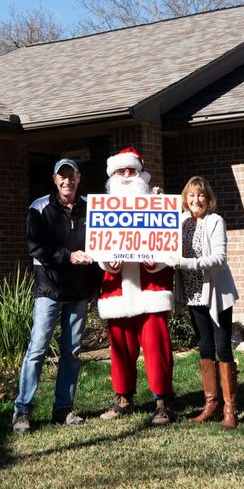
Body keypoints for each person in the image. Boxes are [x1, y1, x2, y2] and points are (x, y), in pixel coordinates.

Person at [12, 157, 99, 433]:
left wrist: (152, 198)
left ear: (79, 178)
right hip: (49, 291)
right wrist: (69, 256)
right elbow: (37, 248)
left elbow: (116, 231)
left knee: (71, 352)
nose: (67, 181)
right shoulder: (39, 208)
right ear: (54, 180)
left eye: (71, 175)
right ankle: (22, 411)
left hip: (79, 292)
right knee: (37, 350)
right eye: (62, 176)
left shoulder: (92, 208)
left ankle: (63, 409)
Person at [96, 147, 177, 425]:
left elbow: (168, 245)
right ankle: (123, 397)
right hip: (117, 289)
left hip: (151, 286)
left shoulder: (157, 204)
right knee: (120, 347)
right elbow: (97, 248)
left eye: (132, 170)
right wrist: (108, 263)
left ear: (141, 173)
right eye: (121, 171)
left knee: (157, 346)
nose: (127, 175)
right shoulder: (103, 209)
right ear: (113, 176)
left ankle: (163, 401)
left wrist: (159, 263)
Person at [166, 176, 240, 429]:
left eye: (201, 195)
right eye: (191, 195)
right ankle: (212, 404)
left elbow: (219, 258)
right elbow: (158, 232)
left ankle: (230, 409)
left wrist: (187, 263)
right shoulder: (181, 222)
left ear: (208, 199)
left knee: (223, 348)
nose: (196, 200)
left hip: (216, 293)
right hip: (193, 293)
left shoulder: (215, 221)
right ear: (185, 200)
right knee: (205, 347)